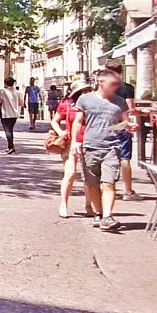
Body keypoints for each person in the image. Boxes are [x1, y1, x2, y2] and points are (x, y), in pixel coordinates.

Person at [70, 69, 135, 231]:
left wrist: (129, 126)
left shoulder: (120, 102)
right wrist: (74, 142)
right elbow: (78, 122)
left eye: (117, 84)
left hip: (112, 147)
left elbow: (124, 122)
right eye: (113, 84)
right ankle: (98, 213)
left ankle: (107, 216)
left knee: (109, 183)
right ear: (101, 82)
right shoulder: (85, 100)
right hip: (90, 146)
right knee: (92, 184)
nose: (116, 87)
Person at [51, 80, 91, 219]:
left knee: (89, 177)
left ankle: (88, 206)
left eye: (87, 90)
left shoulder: (91, 105)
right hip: (70, 143)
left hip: (89, 142)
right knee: (70, 174)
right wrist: (60, 132)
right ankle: (63, 204)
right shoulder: (66, 106)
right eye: (83, 91)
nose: (86, 92)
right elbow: (54, 121)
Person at [105, 62, 140, 201]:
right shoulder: (127, 88)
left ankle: (109, 187)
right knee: (125, 158)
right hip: (123, 124)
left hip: (107, 124)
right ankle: (128, 191)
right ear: (121, 72)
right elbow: (130, 109)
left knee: (107, 156)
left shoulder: (103, 88)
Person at [0, 77, 24, 154]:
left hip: (5, 113)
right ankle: (10, 146)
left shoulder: (3, 91)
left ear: (5, 83)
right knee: (10, 130)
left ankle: (11, 147)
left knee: (7, 130)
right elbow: (21, 104)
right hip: (14, 114)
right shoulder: (18, 92)